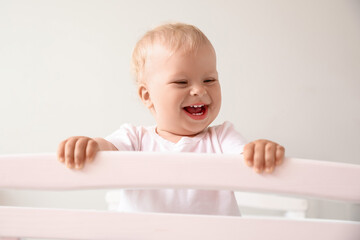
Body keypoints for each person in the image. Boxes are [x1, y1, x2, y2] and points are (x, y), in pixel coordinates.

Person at [57, 22, 285, 216]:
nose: (199, 90)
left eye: (209, 80)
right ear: (147, 96)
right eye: (181, 82)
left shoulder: (222, 137)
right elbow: (108, 149)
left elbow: (245, 157)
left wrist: (259, 150)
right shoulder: (135, 139)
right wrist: (91, 145)